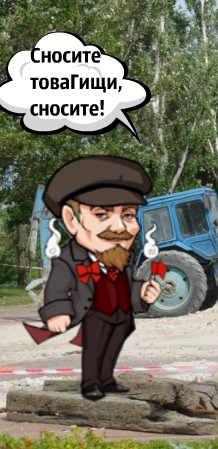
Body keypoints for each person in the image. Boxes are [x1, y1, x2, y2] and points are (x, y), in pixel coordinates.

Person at [26, 156, 161, 401]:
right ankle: (90, 382)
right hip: (95, 313)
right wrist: (57, 311)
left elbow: (127, 283)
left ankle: (107, 378)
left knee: (115, 342)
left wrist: (141, 293)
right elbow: (56, 287)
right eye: (102, 214)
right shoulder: (70, 258)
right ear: (71, 220)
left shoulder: (123, 255)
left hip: (121, 312)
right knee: (94, 347)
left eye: (128, 215)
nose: (119, 227)